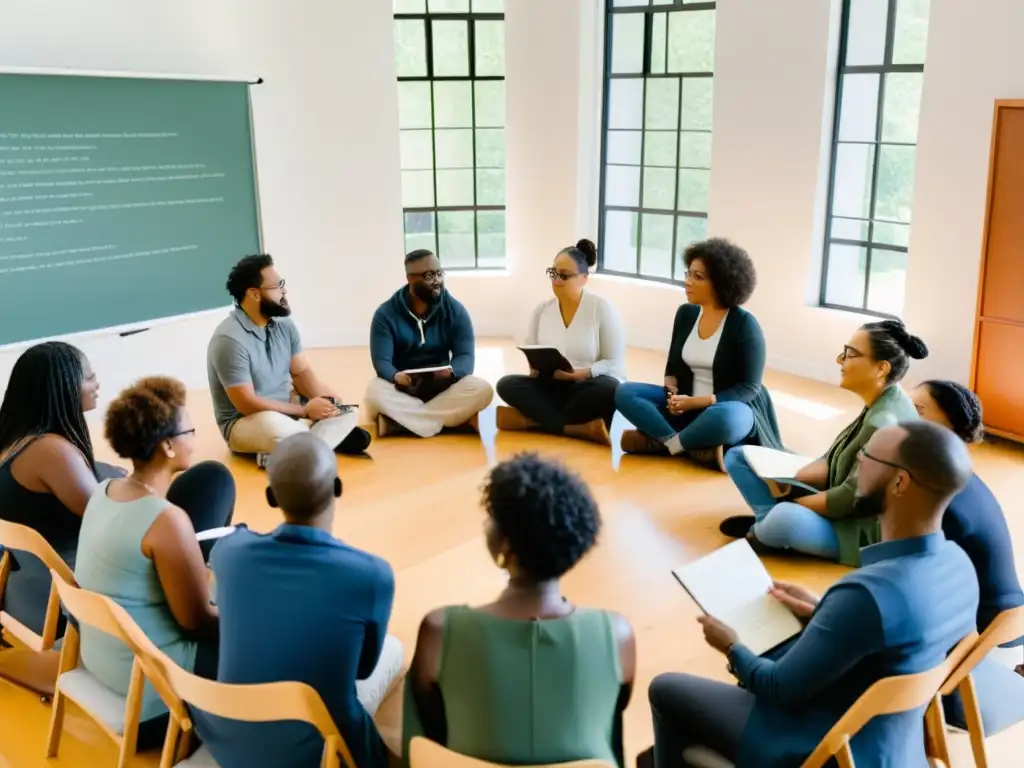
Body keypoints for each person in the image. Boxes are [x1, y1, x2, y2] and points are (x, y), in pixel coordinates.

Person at [642, 421, 980, 768]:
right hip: (892, 743)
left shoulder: (868, 594)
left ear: (899, 482)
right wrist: (825, 612)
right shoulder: (960, 566)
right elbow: (904, 645)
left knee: (666, 689)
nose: (858, 461)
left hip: (825, 745)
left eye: (869, 455)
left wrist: (730, 645)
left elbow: (777, 689)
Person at [403, 452, 635, 767]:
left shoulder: (441, 629)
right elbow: (613, 712)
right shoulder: (616, 634)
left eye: (491, 517)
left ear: (505, 545)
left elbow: (429, 720)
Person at [195, 433, 403, 768]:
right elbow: (363, 668)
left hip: (230, 740)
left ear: (271, 497)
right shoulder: (371, 574)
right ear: (337, 488)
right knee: (394, 650)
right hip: (316, 754)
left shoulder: (229, 552)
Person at [0, 343, 222, 637]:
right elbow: (113, 518)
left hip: (27, 596)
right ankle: (195, 589)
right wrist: (145, 484)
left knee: (198, 485)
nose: (97, 383)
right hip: (71, 604)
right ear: (63, 387)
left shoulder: (17, 443)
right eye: (89, 377)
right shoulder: (51, 453)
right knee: (211, 484)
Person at [74, 376, 234, 749]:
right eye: (190, 431)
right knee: (268, 638)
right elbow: (196, 623)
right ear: (167, 445)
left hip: (103, 664)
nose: (194, 438)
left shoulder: (103, 491)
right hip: (153, 699)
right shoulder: (165, 519)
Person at [720, 319, 926, 566]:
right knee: (738, 456)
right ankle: (769, 527)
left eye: (850, 355)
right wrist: (797, 473)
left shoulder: (884, 422)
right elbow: (839, 454)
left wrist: (795, 502)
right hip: (838, 496)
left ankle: (766, 529)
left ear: (881, 368)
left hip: (860, 529)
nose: (840, 361)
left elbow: (852, 498)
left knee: (786, 516)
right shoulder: (888, 397)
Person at [910, 380, 1024, 735]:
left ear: (951, 425)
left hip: (980, 637)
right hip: (1006, 621)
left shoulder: (942, 495)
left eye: (919, 412)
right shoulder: (960, 474)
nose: (905, 419)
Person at [614, 238, 781, 470]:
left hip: (726, 406)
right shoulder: (686, 314)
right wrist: (671, 388)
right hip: (685, 402)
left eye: (698, 277)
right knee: (625, 392)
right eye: (688, 273)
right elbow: (673, 364)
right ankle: (686, 444)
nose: (687, 282)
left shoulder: (745, 325)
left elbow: (749, 388)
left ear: (721, 284)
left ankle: (664, 442)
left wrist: (699, 402)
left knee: (727, 419)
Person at [207, 254, 370, 467]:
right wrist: (305, 411)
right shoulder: (228, 340)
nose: (284, 291)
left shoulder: (285, 325)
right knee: (273, 425)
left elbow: (301, 374)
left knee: (346, 410)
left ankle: (295, 450)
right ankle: (316, 438)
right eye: (277, 286)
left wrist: (327, 405)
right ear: (254, 294)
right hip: (248, 422)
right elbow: (247, 404)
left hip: (289, 411)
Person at [495, 239, 626, 445]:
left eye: (564, 275)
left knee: (610, 389)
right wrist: (536, 370)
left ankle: (533, 421)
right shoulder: (541, 310)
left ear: (584, 278)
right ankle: (575, 427)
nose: (556, 280)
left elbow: (613, 362)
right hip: (553, 384)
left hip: (586, 386)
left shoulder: (600, 308)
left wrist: (584, 373)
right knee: (506, 384)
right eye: (553, 273)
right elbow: (533, 351)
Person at [366, 249, 493, 438]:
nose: (437, 280)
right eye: (428, 275)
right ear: (410, 278)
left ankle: (407, 422)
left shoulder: (456, 311)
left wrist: (452, 372)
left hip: (443, 388)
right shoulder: (385, 315)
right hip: (402, 390)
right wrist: (395, 376)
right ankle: (436, 421)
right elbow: (381, 361)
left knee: (483, 389)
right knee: (374, 391)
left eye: (439, 273)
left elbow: (465, 357)